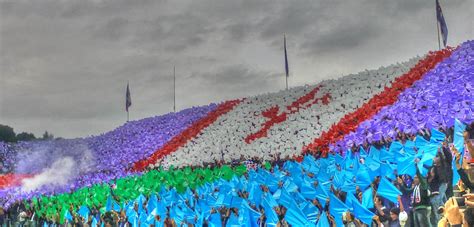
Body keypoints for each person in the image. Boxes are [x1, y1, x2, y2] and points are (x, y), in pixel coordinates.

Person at [399, 161, 432, 227]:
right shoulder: (415, 187)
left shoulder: (423, 185)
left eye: (416, 178)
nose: (414, 179)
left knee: (423, 225)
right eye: (414, 178)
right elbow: (407, 191)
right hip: (415, 209)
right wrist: (401, 184)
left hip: (423, 208)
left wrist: (416, 166)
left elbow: (420, 177)